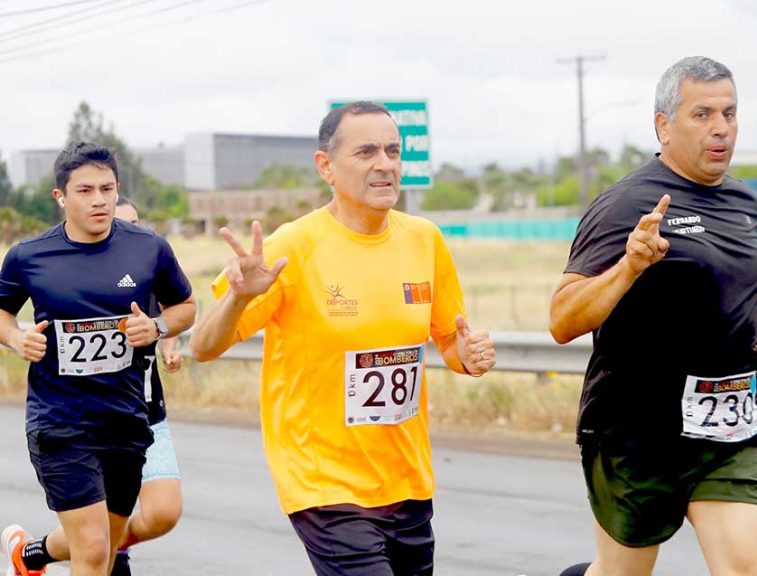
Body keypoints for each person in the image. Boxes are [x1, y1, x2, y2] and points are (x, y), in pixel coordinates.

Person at [189, 100, 496, 576]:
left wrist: (469, 356)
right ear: (326, 166)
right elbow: (203, 346)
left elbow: (450, 342)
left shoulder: (425, 240)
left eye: (393, 152)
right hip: (322, 481)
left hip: (406, 479)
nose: (385, 165)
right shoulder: (292, 246)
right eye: (367, 152)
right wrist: (237, 298)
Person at [550, 56, 757, 576]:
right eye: (703, 114)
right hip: (636, 432)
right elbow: (562, 319)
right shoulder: (627, 204)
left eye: (730, 113)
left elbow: (729, 280)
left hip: (726, 427)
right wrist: (629, 266)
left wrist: (756, 321)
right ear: (663, 125)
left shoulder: (743, 201)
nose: (721, 128)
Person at [0, 141, 195, 576]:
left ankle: (26, 556)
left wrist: (158, 328)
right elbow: (2, 312)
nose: (99, 200)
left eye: (107, 189)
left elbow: (185, 307)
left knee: (105, 551)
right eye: (85, 190)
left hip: (125, 419)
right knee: (89, 548)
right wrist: (16, 338)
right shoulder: (29, 257)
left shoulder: (149, 248)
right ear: (61, 197)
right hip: (59, 422)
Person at [37, 196, 186, 576]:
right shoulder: (82, 285)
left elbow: (174, 315)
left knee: (164, 514)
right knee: (94, 539)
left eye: (135, 223)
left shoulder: (151, 270)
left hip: (145, 415)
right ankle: (100, 551)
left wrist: (166, 339)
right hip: (83, 419)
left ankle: (68, 549)